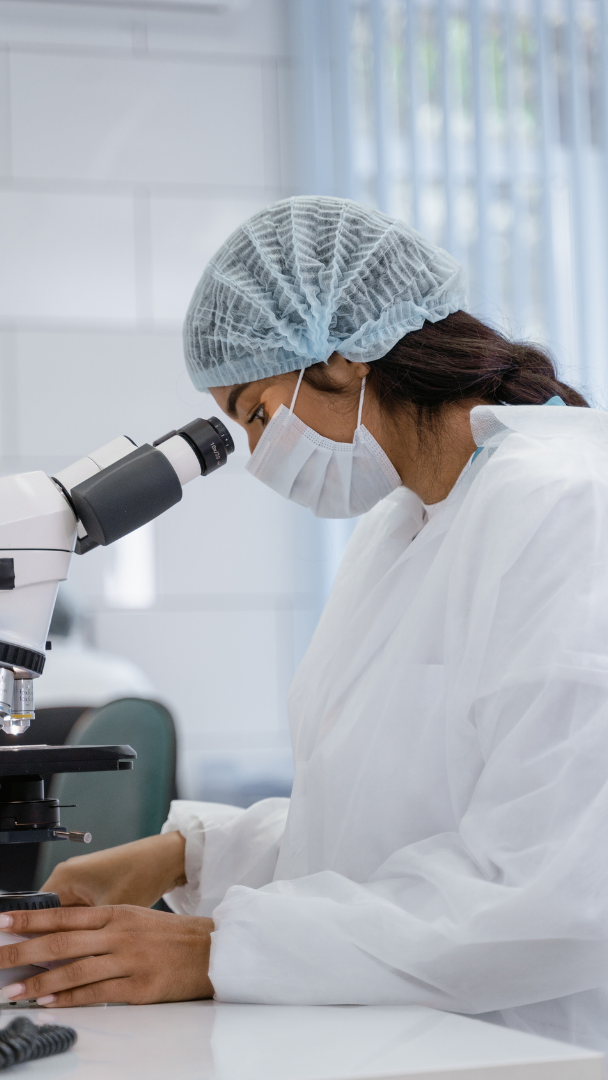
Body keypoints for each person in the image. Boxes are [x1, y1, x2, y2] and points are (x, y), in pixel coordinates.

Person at [1, 197, 607, 1054]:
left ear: (344, 355)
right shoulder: (404, 527)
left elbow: (556, 883)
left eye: (255, 413)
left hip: (531, 1051)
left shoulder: (567, 509)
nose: (257, 456)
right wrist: (184, 854)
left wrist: (215, 950)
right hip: (408, 1040)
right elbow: (375, 821)